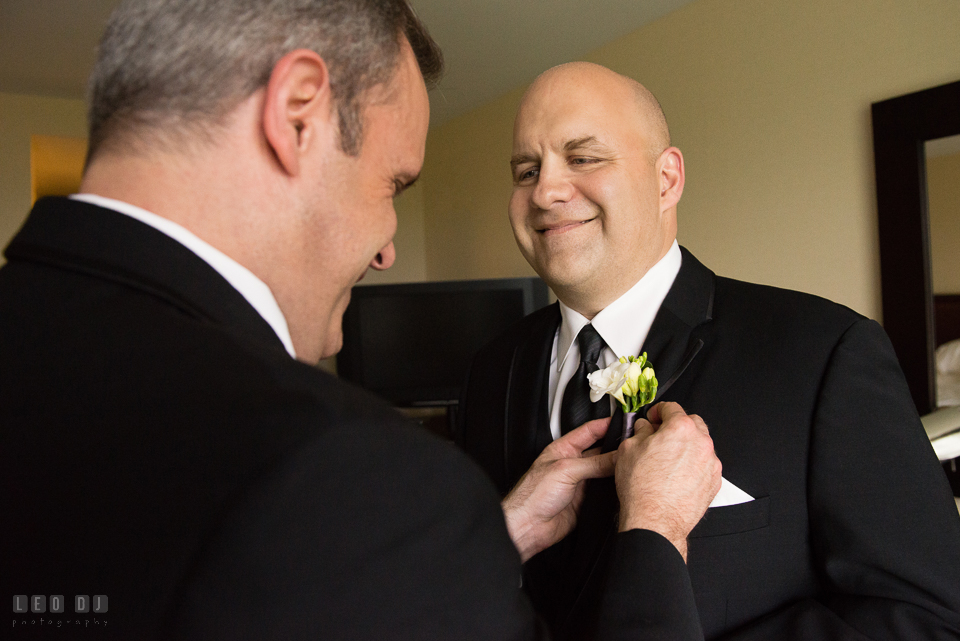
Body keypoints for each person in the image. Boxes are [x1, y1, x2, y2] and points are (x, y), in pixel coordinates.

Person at [0, 2, 723, 640]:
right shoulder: (351, 475)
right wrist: (654, 530)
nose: (387, 248)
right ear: (297, 114)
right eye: (393, 185)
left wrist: (492, 537)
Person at [457, 61, 960, 640]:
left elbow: (924, 620)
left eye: (583, 157)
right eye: (526, 170)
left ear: (666, 179)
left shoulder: (824, 353)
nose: (545, 191)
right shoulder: (489, 372)